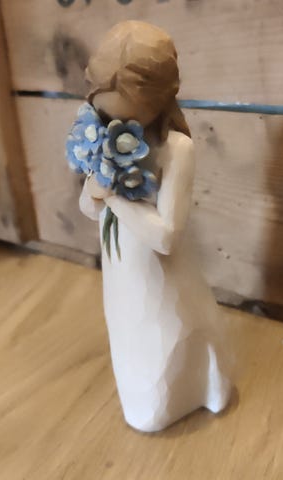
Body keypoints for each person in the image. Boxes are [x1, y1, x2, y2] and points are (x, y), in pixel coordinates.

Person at [78, 20, 232, 432]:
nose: (116, 128)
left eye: (128, 117)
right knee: (129, 339)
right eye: (107, 115)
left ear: (157, 100)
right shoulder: (101, 134)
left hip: (158, 277)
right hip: (121, 276)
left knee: (163, 348)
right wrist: (93, 193)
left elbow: (166, 237)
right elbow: (89, 208)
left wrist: (113, 196)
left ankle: (191, 388)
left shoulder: (175, 149)